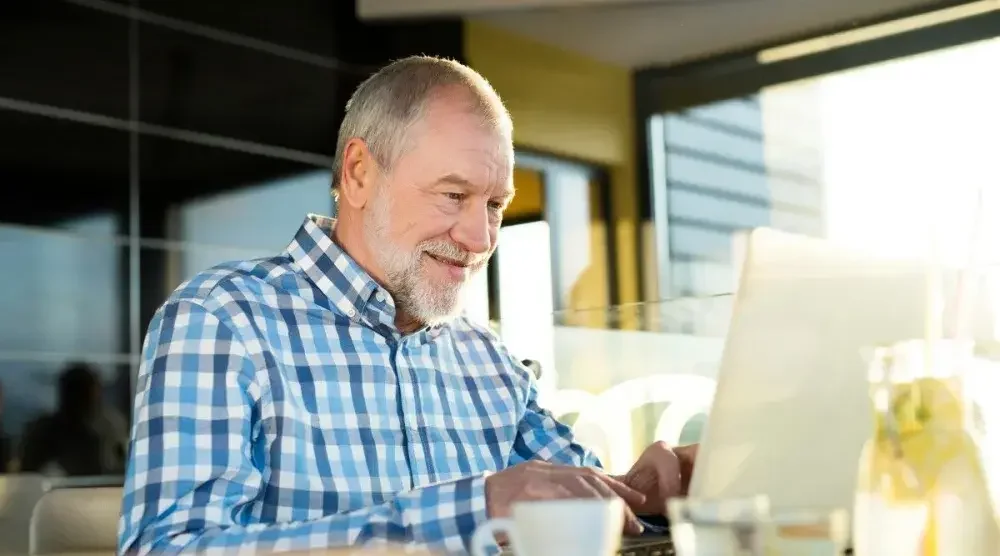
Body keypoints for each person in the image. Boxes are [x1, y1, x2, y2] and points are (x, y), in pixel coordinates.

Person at [118, 55, 699, 556]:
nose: (480, 237)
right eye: (454, 195)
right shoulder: (223, 319)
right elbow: (168, 547)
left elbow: (578, 502)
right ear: (360, 172)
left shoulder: (485, 357)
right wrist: (480, 505)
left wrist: (655, 491)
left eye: (495, 204)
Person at [20, 362, 127, 476]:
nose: (87, 399)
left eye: (89, 393)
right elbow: (28, 475)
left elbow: (123, 468)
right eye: (79, 393)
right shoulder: (44, 432)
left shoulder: (112, 426)